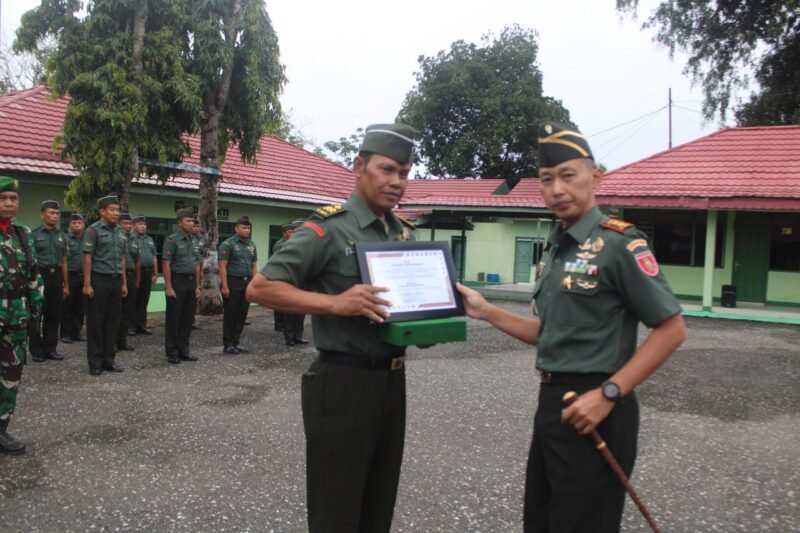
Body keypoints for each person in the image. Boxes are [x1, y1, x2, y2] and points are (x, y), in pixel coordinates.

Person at [456, 122, 687, 533]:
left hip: (598, 407)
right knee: (542, 521)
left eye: (568, 176)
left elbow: (672, 329)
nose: (557, 189)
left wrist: (610, 393)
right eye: (547, 179)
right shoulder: (557, 247)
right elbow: (550, 334)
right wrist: (487, 311)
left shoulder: (619, 244)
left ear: (595, 177)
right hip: (552, 404)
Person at [246, 123, 418, 532]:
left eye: (404, 173)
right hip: (342, 382)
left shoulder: (402, 232)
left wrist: (426, 324)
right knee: (337, 509)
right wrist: (335, 303)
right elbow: (261, 287)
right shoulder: (328, 228)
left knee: (378, 503)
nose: (396, 181)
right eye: (387, 169)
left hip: (392, 381)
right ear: (359, 167)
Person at [0, 177, 43, 455]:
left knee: (11, 376)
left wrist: (36, 312)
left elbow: (33, 276)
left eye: (13, 199)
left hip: (16, 318)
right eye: (3, 198)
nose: (9, 203)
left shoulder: (23, 234)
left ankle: (1, 430)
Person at [83, 195, 128, 375]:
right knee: (96, 322)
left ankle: (109, 360)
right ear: (102, 211)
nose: (116, 213)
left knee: (112, 322)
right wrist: (87, 284)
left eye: (118, 210)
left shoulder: (121, 232)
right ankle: (95, 362)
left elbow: (122, 258)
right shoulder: (93, 230)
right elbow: (87, 258)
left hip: (116, 280)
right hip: (98, 279)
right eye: (112, 210)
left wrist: (124, 282)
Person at [28, 199, 68, 362]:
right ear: (42, 214)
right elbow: (30, 261)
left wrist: (65, 284)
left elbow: (64, 261)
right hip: (40, 276)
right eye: (51, 212)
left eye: (57, 213)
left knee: (54, 314)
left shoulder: (62, 236)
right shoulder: (33, 235)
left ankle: (50, 348)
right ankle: (36, 349)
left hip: (56, 276)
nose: (55, 216)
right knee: (37, 314)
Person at [162, 208, 201, 364]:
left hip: (191, 282)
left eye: (192, 221)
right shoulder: (172, 240)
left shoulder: (194, 241)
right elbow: (166, 263)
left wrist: (197, 286)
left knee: (187, 318)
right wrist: (168, 286)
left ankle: (183, 350)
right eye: (188, 221)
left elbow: (197, 265)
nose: (191, 223)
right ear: (179, 223)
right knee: (174, 318)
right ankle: (172, 352)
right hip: (177, 281)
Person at [219, 215, 257, 354]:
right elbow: (222, 266)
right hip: (232, 282)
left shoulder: (251, 245)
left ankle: (236, 341)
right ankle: (228, 344)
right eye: (244, 227)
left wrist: (254, 284)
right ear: (236, 228)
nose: (247, 230)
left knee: (242, 314)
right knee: (231, 314)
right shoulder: (228, 244)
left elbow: (254, 266)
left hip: (247, 282)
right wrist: (224, 286)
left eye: (248, 228)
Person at [281, 218, 308, 347]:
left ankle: (298, 336)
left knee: (300, 311)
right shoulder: (286, 245)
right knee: (289, 312)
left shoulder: (305, 245)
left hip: (302, 282)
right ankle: (289, 337)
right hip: (289, 281)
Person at [60, 211, 86, 343]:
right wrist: (64, 282)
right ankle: (66, 333)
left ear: (83, 224)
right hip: (70, 276)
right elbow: (62, 260)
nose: (76, 225)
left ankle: (77, 333)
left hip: (84, 276)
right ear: (70, 225)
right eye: (74, 222)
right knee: (67, 306)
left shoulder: (88, 240)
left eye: (79, 222)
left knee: (80, 306)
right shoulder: (65, 239)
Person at [115, 213, 139, 352]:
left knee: (127, 310)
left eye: (130, 223)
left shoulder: (134, 239)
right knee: (115, 311)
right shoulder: (116, 237)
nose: (128, 226)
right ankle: (112, 341)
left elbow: (137, 260)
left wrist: (136, 279)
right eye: (125, 223)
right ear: (119, 224)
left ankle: (122, 340)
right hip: (118, 275)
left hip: (130, 275)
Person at [132, 215, 157, 335]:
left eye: (144, 224)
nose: (143, 226)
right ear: (134, 226)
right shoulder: (131, 239)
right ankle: (131, 326)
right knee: (134, 299)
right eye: (140, 224)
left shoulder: (149, 239)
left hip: (147, 272)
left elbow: (154, 257)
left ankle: (141, 325)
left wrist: (155, 273)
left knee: (144, 299)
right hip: (135, 273)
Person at [270, 222, 295, 333]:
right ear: (284, 233)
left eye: (293, 231)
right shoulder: (279, 244)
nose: (293, 233)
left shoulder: (293, 243)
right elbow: (277, 260)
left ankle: (285, 323)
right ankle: (279, 324)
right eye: (290, 232)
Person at [190, 217, 203, 331]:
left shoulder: (200, 240)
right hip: (188, 272)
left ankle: (192, 319)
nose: (196, 228)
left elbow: (201, 258)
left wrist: (202, 270)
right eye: (194, 226)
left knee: (195, 297)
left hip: (198, 272)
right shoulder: (188, 239)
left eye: (198, 226)